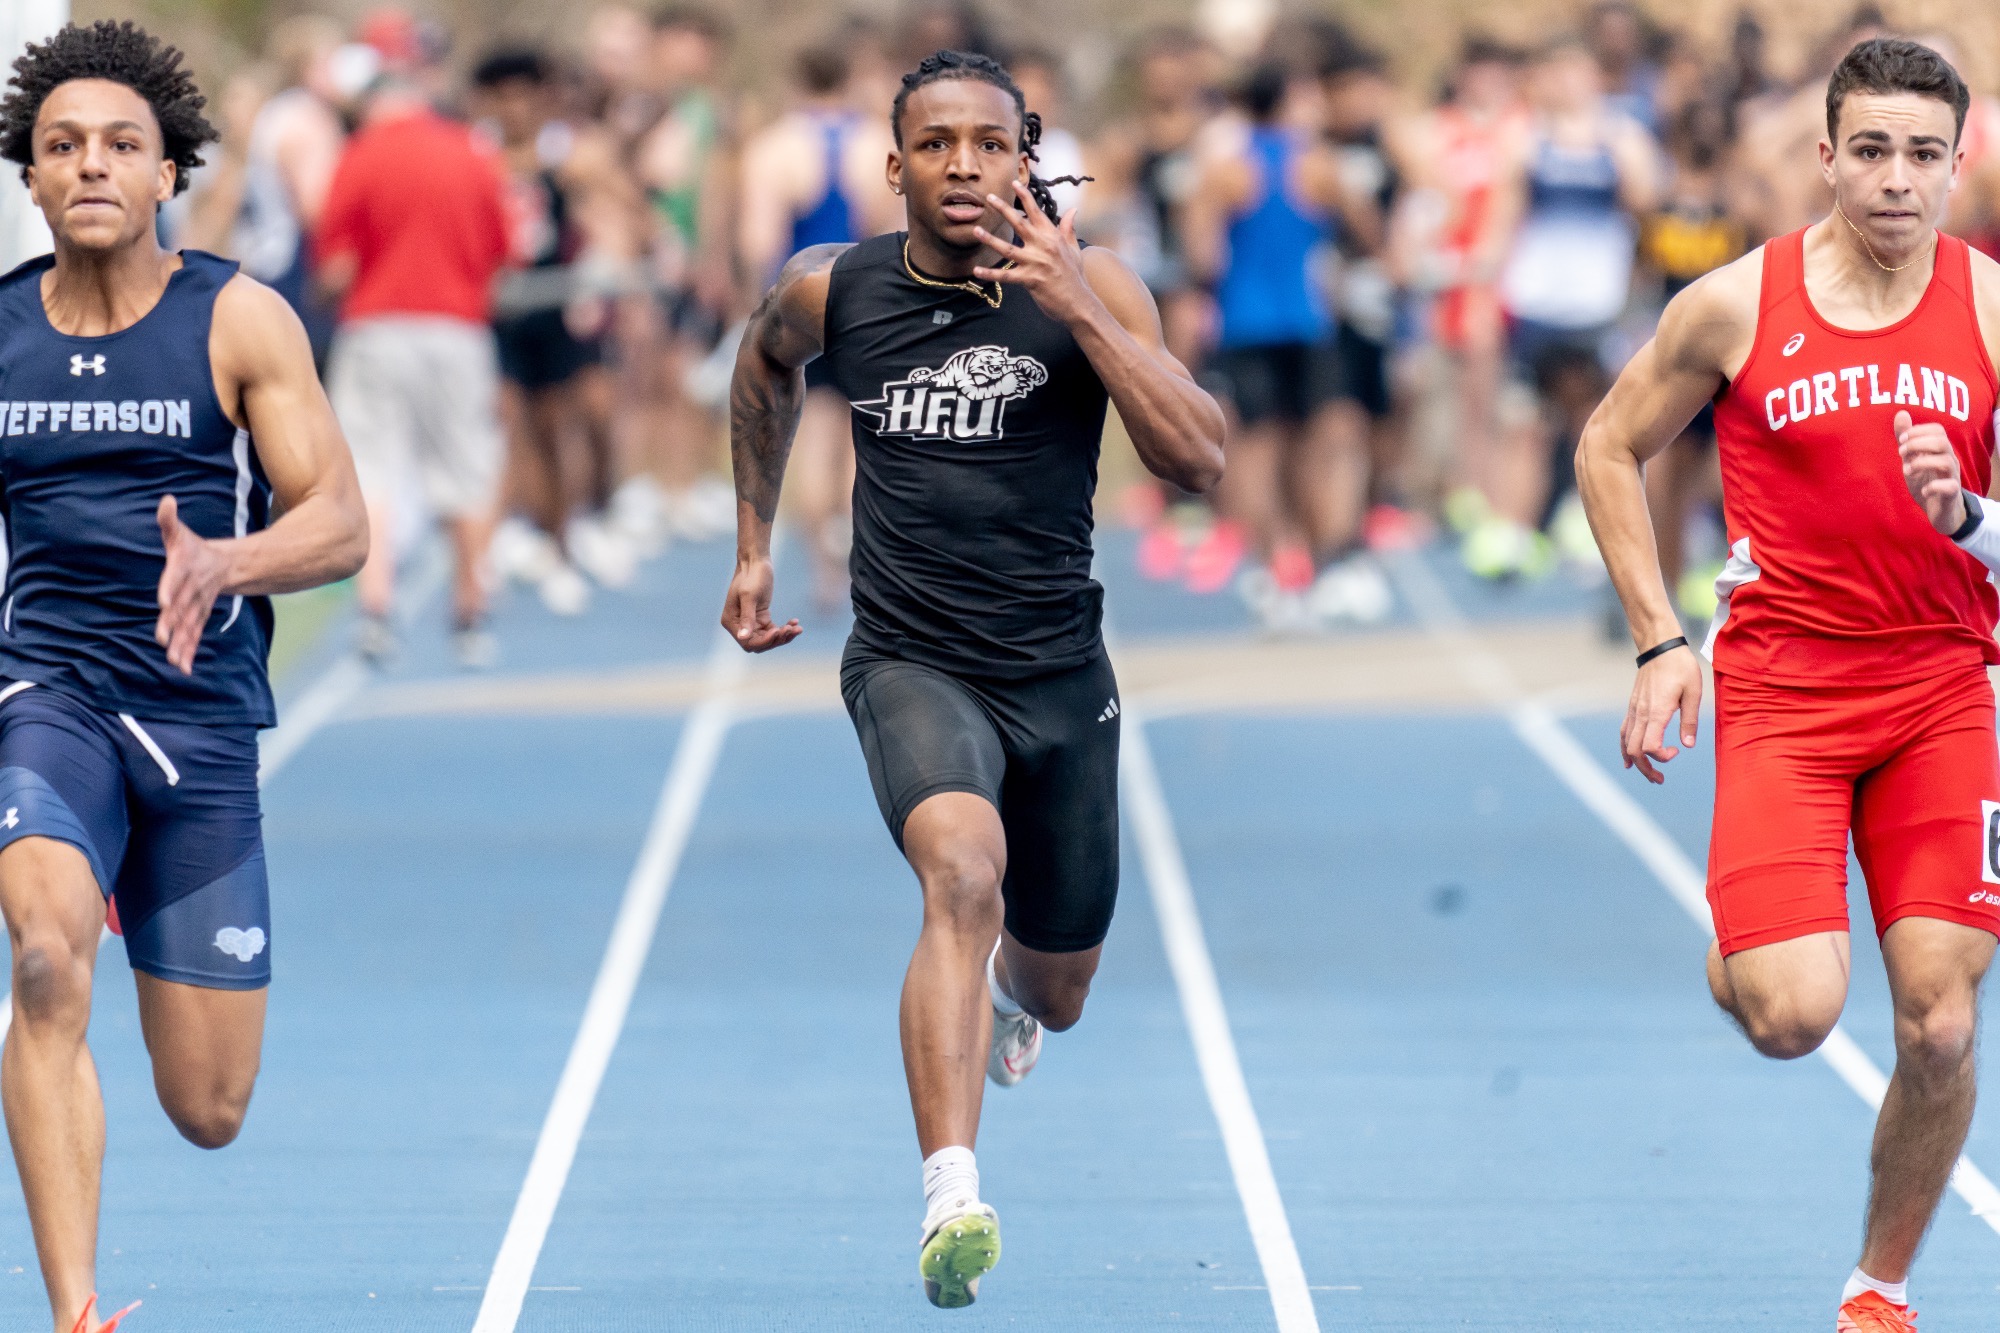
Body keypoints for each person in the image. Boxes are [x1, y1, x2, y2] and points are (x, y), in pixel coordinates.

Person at [720, 48, 1223, 1307]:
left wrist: (1082, 312)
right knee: (961, 872)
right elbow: (760, 364)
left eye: (986, 145)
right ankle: (952, 1189)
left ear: (1023, 161)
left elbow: (1199, 460)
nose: (960, 165)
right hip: (908, 658)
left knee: (1060, 982)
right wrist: (752, 544)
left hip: (1057, 670)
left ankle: (1010, 996)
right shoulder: (831, 291)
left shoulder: (1092, 282)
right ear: (894, 168)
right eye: (933, 144)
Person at [1577, 39, 2000, 1332]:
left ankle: (1878, 1289)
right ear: (1826, 157)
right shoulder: (1736, 305)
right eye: (1870, 150)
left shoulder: (1989, 308)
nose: (1895, 180)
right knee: (1792, 1016)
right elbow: (1608, 442)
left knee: (1937, 1024)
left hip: (1944, 689)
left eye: (1923, 154)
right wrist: (1658, 637)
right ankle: (1750, 948)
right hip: (1789, 694)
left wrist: (1970, 515)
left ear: (1958, 165)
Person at [0, 20, 369, 1331]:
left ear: (169, 173)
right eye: (62, 147)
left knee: (208, 1107)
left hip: (198, 719)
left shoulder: (238, 317)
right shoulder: (0, 336)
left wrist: (229, 559)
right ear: (30, 180)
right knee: (43, 961)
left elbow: (342, 521)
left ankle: (120, 875)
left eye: (120, 145)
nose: (91, 165)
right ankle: (72, 1311)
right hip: (45, 695)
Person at [315, 65, 512, 667]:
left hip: (376, 325)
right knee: (465, 467)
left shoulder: (362, 154)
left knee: (373, 469)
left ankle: (377, 610)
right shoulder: (474, 153)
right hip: (457, 327)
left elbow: (334, 266)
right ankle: (471, 609)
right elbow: (502, 252)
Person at [1183, 60, 1384, 629]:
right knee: (1323, 445)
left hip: (1245, 325)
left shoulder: (1224, 170)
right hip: (1307, 323)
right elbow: (1368, 235)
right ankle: (1329, 563)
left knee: (1258, 452)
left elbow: (1202, 256)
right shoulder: (1317, 164)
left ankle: (1275, 576)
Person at [1473, 33, 1658, 580]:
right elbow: (1501, 222)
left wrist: (1640, 298)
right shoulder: (1526, 142)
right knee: (1523, 419)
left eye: (1575, 72)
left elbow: (1648, 213)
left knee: (1596, 419)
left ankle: (1587, 519)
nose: (1565, 84)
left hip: (1597, 304)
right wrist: (1485, 293)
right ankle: (1513, 526)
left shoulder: (1621, 139)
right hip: (1537, 304)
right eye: (1555, 73)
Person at [473, 49, 638, 616]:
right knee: (510, 427)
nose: (514, 107)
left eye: (524, 94)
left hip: (555, 304)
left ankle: (569, 538)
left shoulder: (568, 155)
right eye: (503, 95)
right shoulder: (478, 154)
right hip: (500, 309)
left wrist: (627, 257)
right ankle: (534, 540)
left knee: (557, 426)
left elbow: (626, 205)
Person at [736, 41, 900, 607]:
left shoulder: (774, 149)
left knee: (812, 438)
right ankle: (862, 560)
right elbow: (890, 232)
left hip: (804, 302)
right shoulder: (878, 144)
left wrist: (759, 313)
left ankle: (825, 574)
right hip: (867, 300)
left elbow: (761, 242)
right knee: (866, 439)